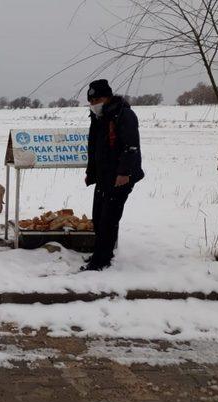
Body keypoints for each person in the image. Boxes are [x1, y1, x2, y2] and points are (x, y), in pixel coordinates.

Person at [82, 79, 145, 271]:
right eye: (91, 101)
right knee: (98, 217)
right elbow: (94, 149)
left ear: (107, 97)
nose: (93, 105)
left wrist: (124, 173)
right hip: (104, 176)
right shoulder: (99, 118)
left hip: (120, 177)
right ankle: (103, 253)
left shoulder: (124, 115)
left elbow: (131, 146)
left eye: (96, 100)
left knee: (108, 219)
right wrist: (91, 173)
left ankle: (100, 262)